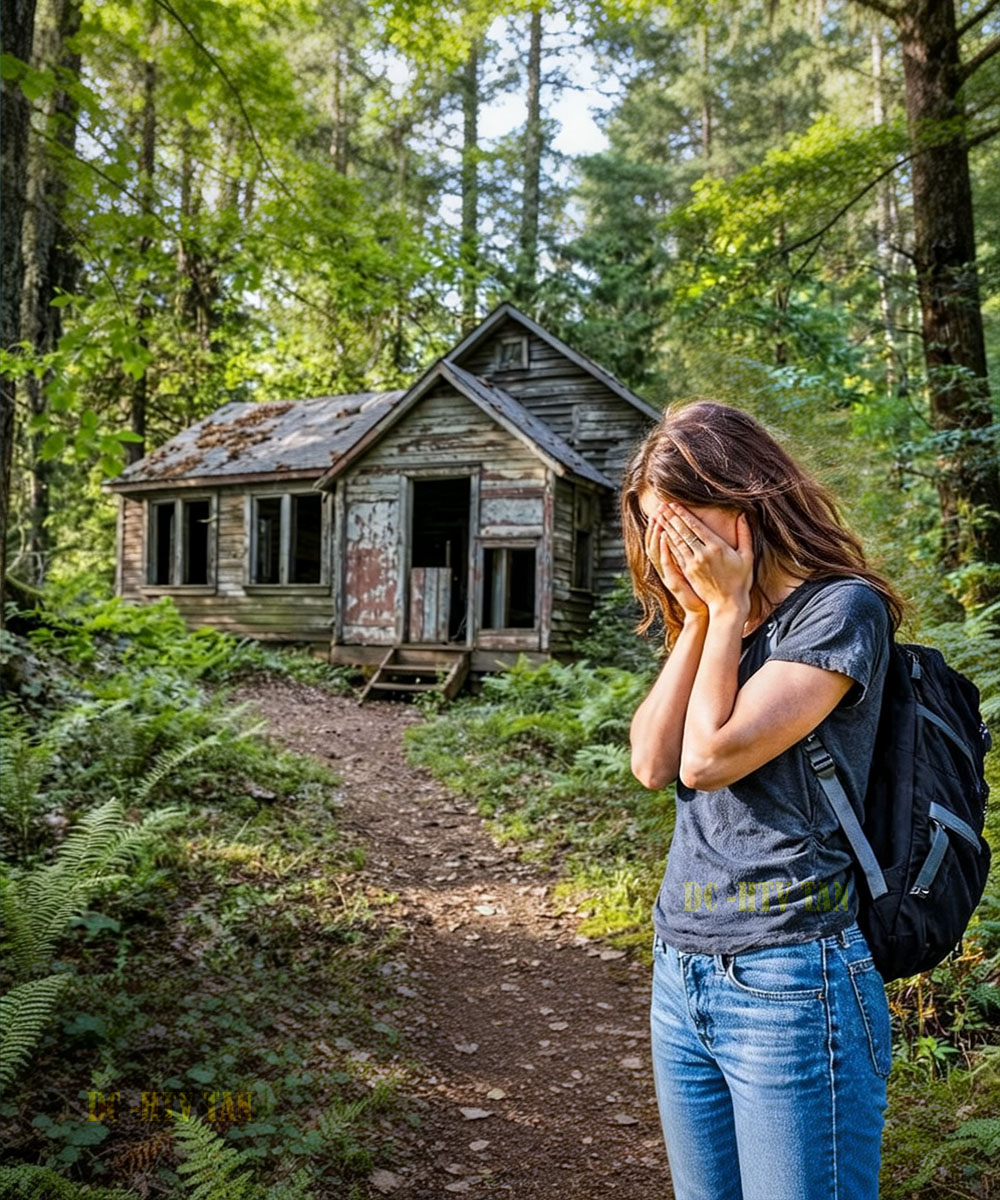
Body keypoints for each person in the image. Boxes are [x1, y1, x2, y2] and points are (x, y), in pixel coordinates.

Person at [621, 400, 904, 1200]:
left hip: (793, 976)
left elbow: (708, 758)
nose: (669, 544)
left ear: (747, 497)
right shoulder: (719, 620)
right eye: (653, 525)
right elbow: (652, 761)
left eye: (685, 518)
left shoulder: (841, 612)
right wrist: (708, 617)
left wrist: (728, 610)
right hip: (682, 970)